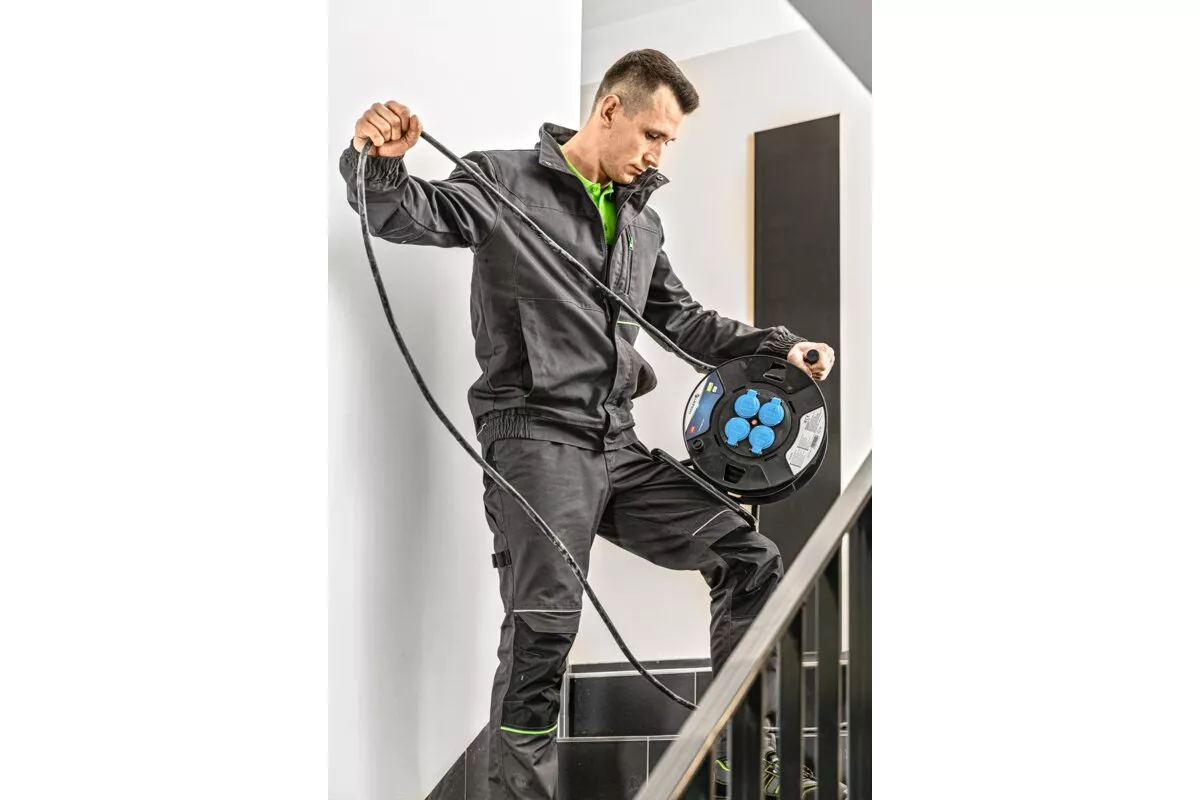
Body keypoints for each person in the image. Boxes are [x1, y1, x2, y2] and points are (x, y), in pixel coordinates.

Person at [339, 48, 837, 800]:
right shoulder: (502, 182)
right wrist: (378, 161)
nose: (658, 154)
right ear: (609, 109)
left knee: (748, 555)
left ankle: (740, 749)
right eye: (653, 134)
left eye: (669, 141)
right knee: (544, 625)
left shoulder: (642, 224)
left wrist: (778, 347)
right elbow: (410, 213)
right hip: (536, 438)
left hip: (617, 443)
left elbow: (682, 321)